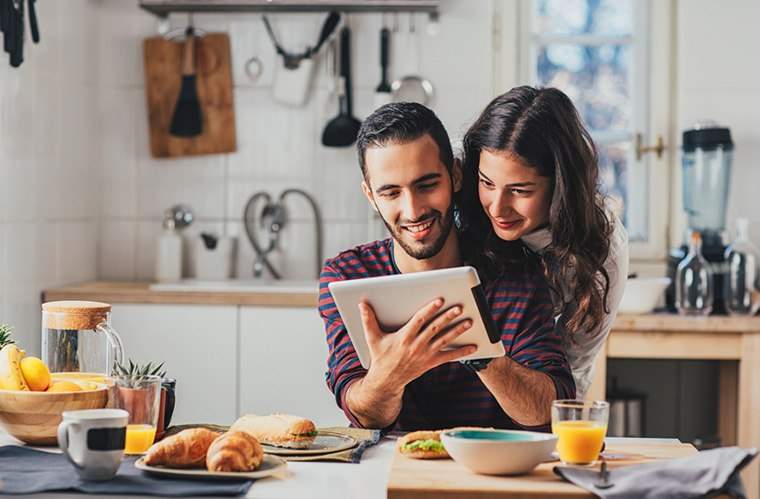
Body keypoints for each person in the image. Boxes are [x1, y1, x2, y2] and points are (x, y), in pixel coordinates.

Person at [318, 102, 575, 431]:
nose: (413, 210)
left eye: (426, 185)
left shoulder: (515, 272)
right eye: (391, 192)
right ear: (370, 196)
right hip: (393, 472)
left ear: (454, 175)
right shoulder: (347, 277)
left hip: (492, 470)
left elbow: (548, 410)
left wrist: (484, 355)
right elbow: (364, 413)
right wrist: (391, 374)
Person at [458, 86, 629, 398]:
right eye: (487, 183)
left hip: (531, 398)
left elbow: (572, 368)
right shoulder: (460, 197)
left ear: (560, 186)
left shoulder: (602, 247)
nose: (497, 208)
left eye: (520, 191)